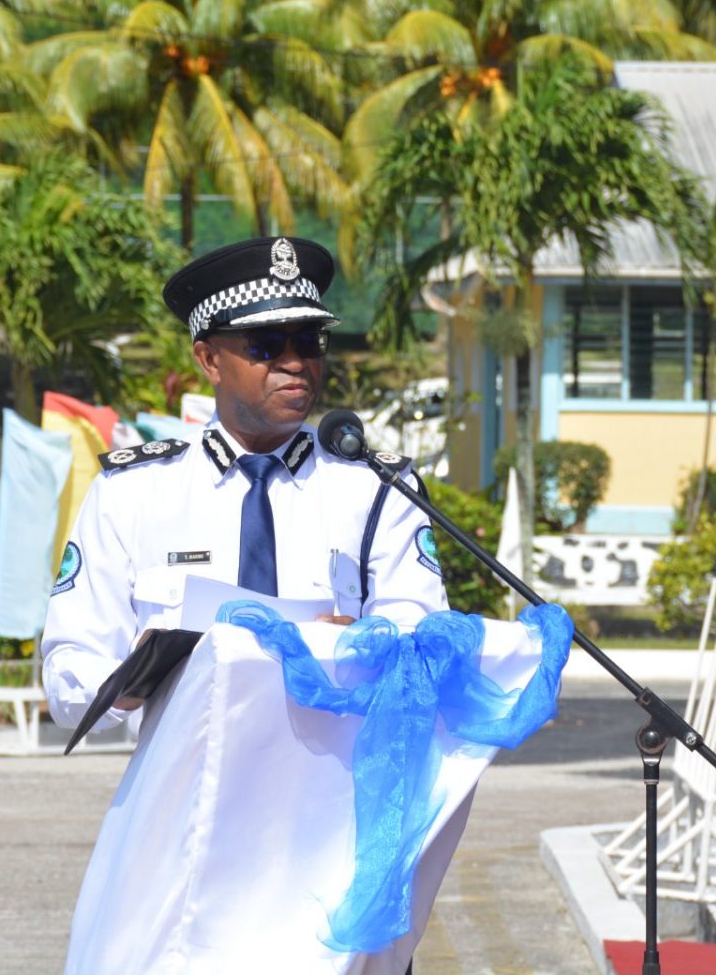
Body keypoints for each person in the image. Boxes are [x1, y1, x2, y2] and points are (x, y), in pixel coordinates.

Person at [41, 235, 449, 732]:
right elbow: (68, 675)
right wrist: (125, 682)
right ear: (209, 360)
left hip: (332, 792)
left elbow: (429, 646)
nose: (296, 362)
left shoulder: (379, 488)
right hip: (186, 793)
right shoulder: (133, 491)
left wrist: (369, 650)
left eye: (310, 341)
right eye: (267, 344)